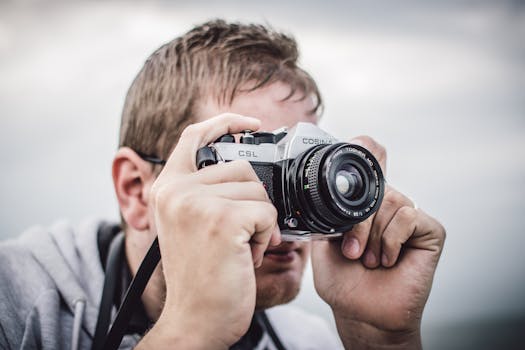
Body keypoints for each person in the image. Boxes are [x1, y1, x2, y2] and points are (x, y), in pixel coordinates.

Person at [0, 19, 445, 349]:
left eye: (303, 166)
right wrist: (190, 332)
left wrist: (379, 340)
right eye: (252, 169)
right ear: (137, 190)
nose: (282, 208)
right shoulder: (16, 303)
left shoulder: (309, 340)